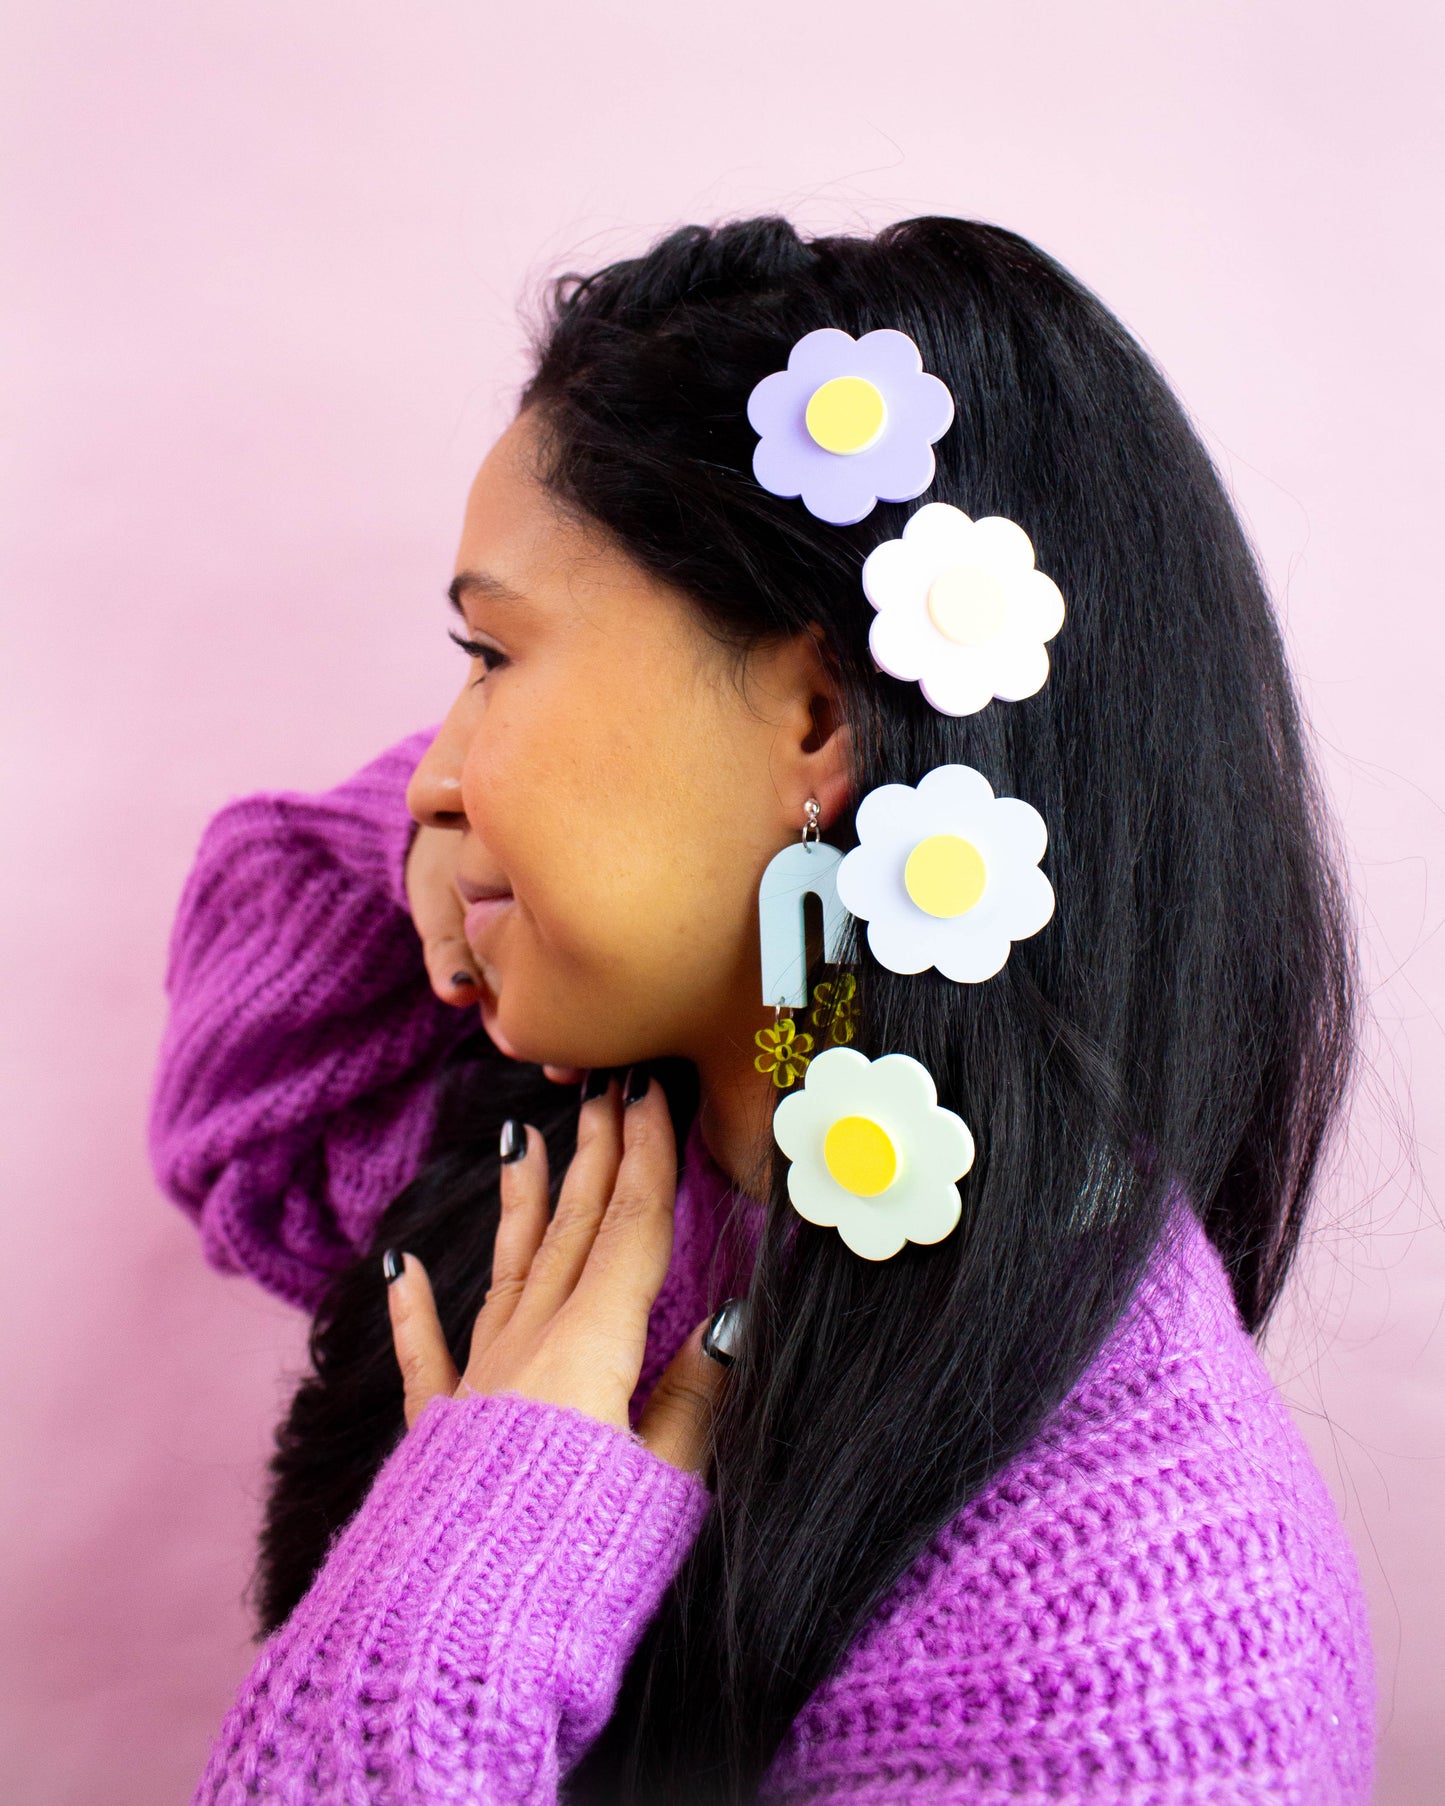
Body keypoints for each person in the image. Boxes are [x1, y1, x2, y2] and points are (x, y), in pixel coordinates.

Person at [148, 215, 1374, 1804]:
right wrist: (492, 836)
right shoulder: (584, 1150)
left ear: (816, 709)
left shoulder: (1144, 1616)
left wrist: (454, 1609)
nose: (434, 768)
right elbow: (250, 1071)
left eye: (489, 650)